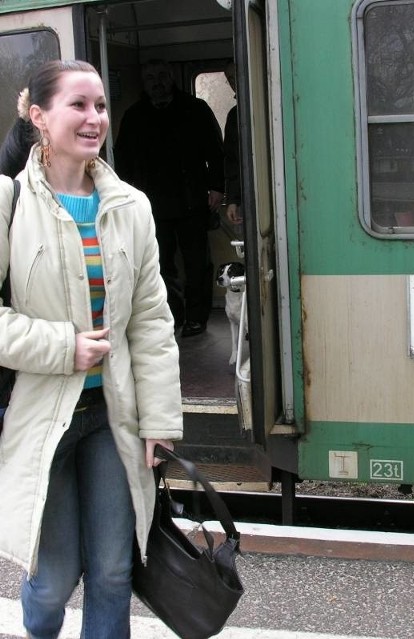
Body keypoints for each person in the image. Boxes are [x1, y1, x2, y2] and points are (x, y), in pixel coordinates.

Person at [0, 59, 183, 639]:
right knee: (52, 582)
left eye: (101, 105)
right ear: (38, 116)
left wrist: (159, 420)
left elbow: (151, 322)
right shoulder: (9, 204)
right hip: (42, 416)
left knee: (111, 572)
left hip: (113, 418)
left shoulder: (131, 207)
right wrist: (62, 346)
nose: (94, 118)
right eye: (78, 105)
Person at [115, 59, 225, 337]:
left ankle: (197, 318)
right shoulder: (133, 116)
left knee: (197, 264)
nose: (157, 82)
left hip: (192, 201)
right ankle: (172, 316)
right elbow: (123, 164)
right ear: (144, 83)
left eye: (162, 75)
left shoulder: (196, 109)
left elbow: (216, 151)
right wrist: (125, 199)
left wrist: (216, 187)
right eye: (150, 77)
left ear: (172, 78)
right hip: (150, 206)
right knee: (160, 265)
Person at [222, 60, 243, 231]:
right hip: (246, 195)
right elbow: (232, 161)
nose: (234, 81)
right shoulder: (234, 116)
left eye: (237, 74)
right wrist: (232, 200)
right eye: (230, 78)